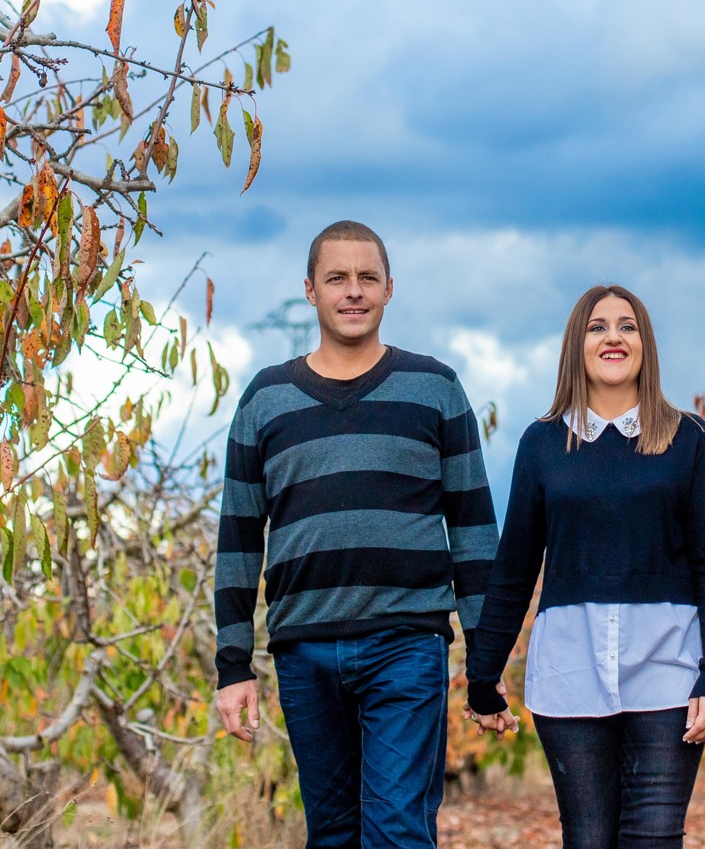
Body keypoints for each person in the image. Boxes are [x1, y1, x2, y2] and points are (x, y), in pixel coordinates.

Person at [213, 220, 498, 849]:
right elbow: (237, 540)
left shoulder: (435, 390)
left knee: (396, 829)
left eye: (367, 277)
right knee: (334, 834)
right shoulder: (266, 399)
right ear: (310, 289)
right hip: (305, 651)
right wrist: (233, 665)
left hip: (406, 644)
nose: (353, 290)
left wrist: (486, 657)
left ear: (390, 289)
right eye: (337, 277)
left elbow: (475, 530)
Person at [461, 285, 705, 849]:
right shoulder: (541, 445)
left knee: (654, 837)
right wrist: (483, 675)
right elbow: (515, 566)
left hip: (669, 670)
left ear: (645, 345)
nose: (613, 336)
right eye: (598, 326)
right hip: (570, 672)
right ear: (577, 346)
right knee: (587, 839)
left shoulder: (689, 440)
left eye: (627, 326)